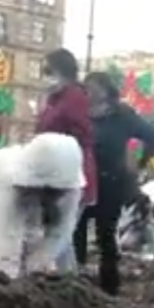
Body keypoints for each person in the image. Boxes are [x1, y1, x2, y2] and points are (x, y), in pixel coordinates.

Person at [77, 71, 154, 294]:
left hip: (110, 183)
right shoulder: (80, 113)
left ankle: (109, 290)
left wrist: (141, 163)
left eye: (93, 87)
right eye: (86, 88)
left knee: (106, 235)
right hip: (82, 182)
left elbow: (152, 137)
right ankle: (75, 284)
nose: (89, 92)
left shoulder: (122, 114)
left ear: (105, 90)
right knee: (76, 232)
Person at [0, 132, 84, 277]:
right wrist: (8, 284)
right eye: (49, 190)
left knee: (35, 265)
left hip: (26, 207)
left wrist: (38, 265)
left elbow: (61, 231)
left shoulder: (72, 185)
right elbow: (7, 240)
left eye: (58, 191)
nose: (54, 196)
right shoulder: (9, 178)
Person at [35, 48, 95, 268]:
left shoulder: (74, 98)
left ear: (62, 70)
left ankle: (63, 279)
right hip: (54, 174)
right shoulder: (54, 100)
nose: (44, 75)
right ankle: (68, 283)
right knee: (61, 234)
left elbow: (84, 136)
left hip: (70, 175)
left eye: (48, 70)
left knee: (59, 233)